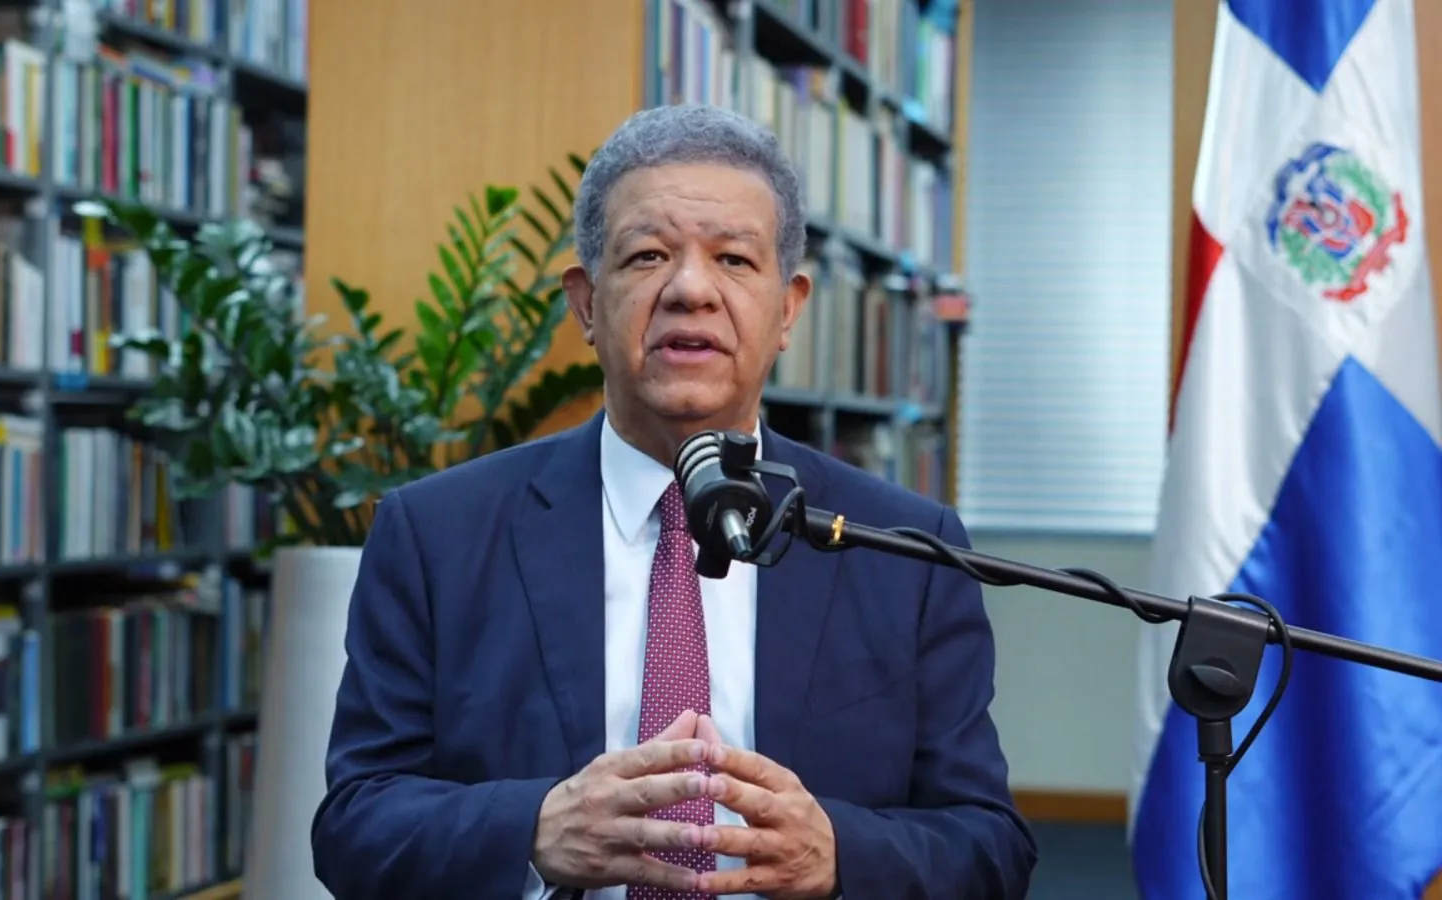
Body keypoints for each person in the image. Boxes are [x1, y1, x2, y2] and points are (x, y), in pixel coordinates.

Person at [309, 103, 1038, 900]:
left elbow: (989, 847)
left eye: (734, 259)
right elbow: (354, 826)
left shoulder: (904, 549)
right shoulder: (437, 536)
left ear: (788, 308)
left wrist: (840, 855)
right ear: (586, 304)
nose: (691, 289)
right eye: (649, 255)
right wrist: (535, 832)